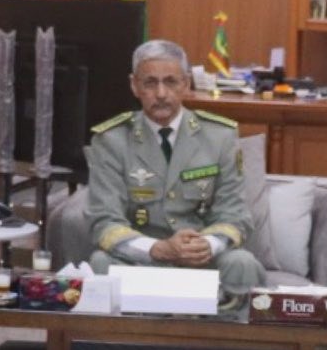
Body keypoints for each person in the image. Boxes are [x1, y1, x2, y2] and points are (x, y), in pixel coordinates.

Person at [86, 39, 262, 301]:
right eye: (150, 83)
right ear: (134, 85)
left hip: (202, 259)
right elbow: (105, 221)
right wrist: (157, 249)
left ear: (186, 84)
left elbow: (234, 215)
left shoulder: (220, 136)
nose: (161, 93)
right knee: (101, 263)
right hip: (142, 260)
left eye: (170, 82)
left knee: (242, 263)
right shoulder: (111, 141)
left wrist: (205, 245)